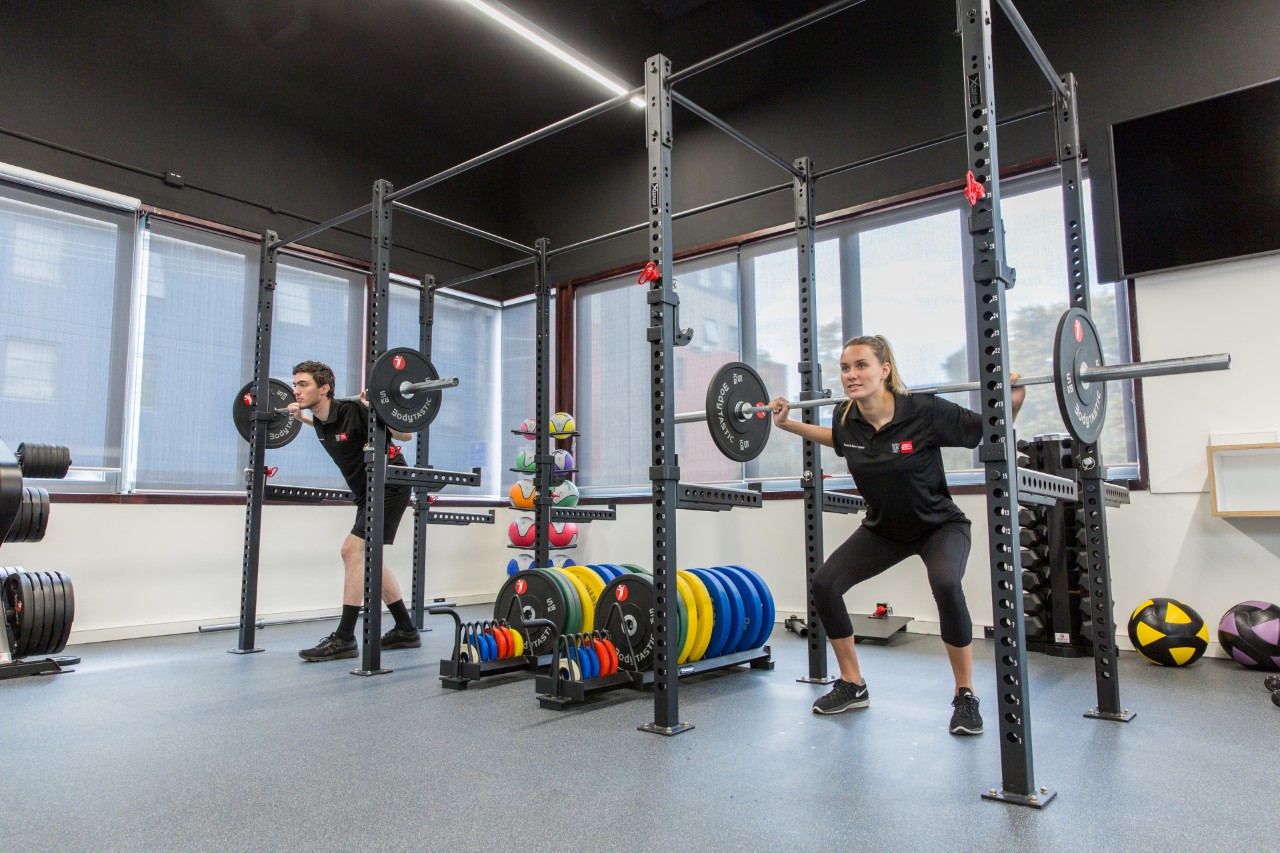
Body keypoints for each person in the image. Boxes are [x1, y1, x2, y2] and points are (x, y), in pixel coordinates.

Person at [769, 335, 1024, 735]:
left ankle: (965, 694)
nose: (852, 375)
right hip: (884, 529)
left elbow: (984, 429)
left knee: (945, 582)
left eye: (861, 366)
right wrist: (786, 424)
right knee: (825, 584)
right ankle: (853, 684)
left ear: (884, 370)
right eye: (846, 368)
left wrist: (1011, 400)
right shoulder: (844, 416)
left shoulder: (923, 410)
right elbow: (837, 440)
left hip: (939, 526)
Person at [287, 360, 422, 662]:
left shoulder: (354, 410)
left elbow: (405, 435)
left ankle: (345, 638)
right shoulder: (321, 416)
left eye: (303, 384)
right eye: (295, 384)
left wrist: (376, 409)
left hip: (390, 485)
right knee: (368, 558)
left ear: (324, 388)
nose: (296, 390)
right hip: (366, 493)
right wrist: (301, 419)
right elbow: (329, 428)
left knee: (352, 552)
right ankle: (405, 628)